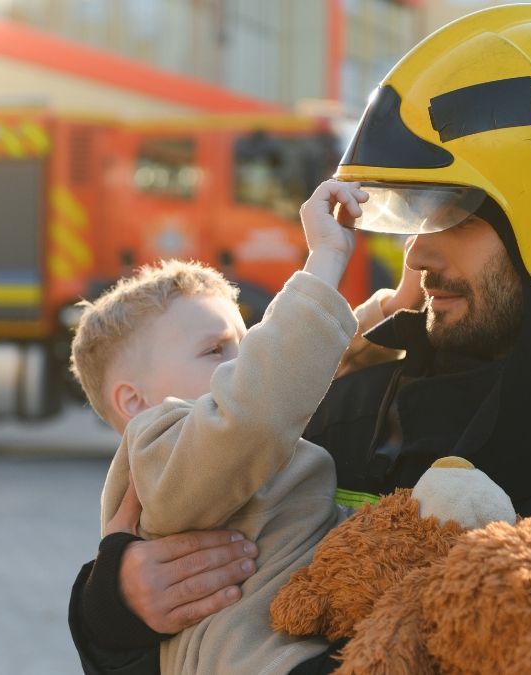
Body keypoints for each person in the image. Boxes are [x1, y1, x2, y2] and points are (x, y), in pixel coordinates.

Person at [68, 5, 531, 674]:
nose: (416, 255)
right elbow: (211, 634)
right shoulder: (354, 409)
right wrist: (116, 610)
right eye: (414, 218)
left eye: (453, 215)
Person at [70, 180, 421, 674]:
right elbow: (262, 403)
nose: (241, 363)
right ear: (134, 400)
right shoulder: (157, 450)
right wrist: (324, 261)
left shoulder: (227, 427)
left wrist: (391, 309)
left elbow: (303, 378)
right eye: (216, 350)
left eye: (247, 342)